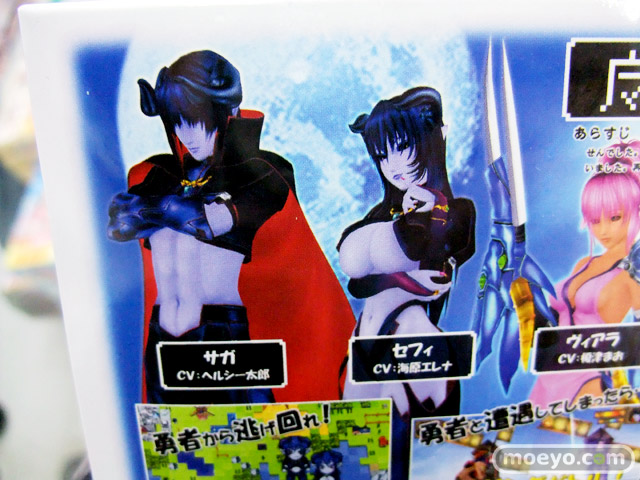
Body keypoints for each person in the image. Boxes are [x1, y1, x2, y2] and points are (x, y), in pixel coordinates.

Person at [107, 50, 354, 404]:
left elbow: (210, 222)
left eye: (198, 122)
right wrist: (162, 207)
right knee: (173, 436)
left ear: (226, 114)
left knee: (250, 433)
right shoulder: (158, 176)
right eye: (178, 122)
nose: (188, 135)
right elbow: (120, 224)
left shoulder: (262, 174)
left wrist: (155, 210)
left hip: (222, 337)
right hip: (163, 341)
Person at [337, 86, 476, 480]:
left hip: (410, 333)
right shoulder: (382, 213)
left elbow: (449, 258)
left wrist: (432, 211)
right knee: (357, 451)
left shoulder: (456, 210)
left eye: (403, 147)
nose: (394, 165)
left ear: (434, 139)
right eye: (383, 154)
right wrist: (403, 278)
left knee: (408, 450)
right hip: (366, 335)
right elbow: (357, 283)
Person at [530, 141, 640, 407]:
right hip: (551, 375)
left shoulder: (633, 273)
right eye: (595, 219)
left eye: (614, 217)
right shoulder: (584, 263)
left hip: (590, 379)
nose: (603, 230)